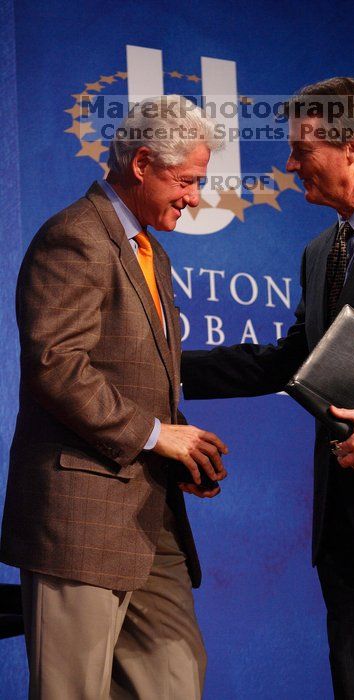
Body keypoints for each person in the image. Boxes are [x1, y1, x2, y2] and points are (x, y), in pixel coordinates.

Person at [181, 78, 354, 699]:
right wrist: (161, 366)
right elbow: (291, 361)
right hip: (344, 531)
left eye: (301, 148)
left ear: (351, 148)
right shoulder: (320, 252)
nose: (288, 164)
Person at [0, 95, 228, 700]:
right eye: (187, 181)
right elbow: (55, 364)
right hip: (81, 518)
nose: (194, 197)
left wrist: (181, 451)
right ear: (143, 163)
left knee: (176, 683)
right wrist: (157, 435)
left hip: (151, 518)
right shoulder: (75, 237)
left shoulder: (153, 254)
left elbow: (137, 376)